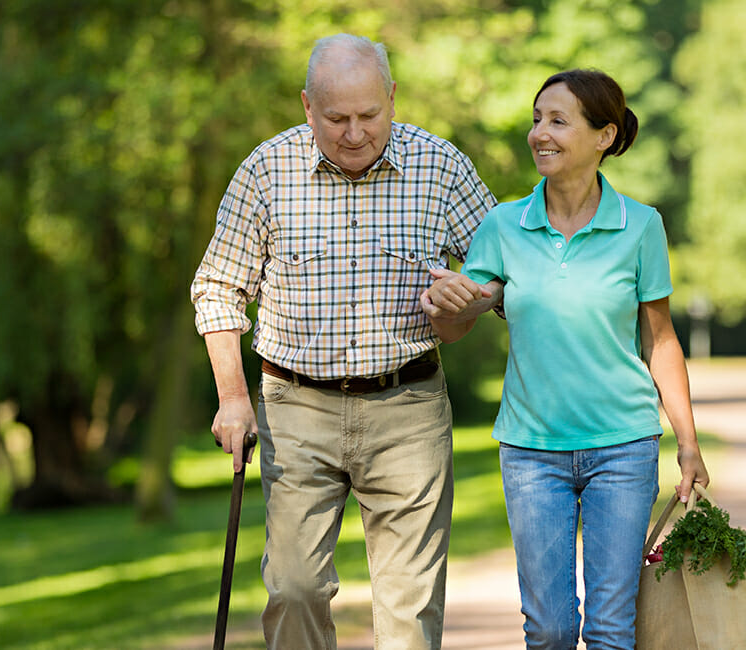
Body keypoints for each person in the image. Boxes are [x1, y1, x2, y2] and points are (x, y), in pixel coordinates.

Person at [190, 33, 501, 649]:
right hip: (295, 406)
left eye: (369, 115)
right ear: (308, 105)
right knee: (294, 588)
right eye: (336, 118)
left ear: (392, 97)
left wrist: (470, 299)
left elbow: (503, 274)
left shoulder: (441, 166)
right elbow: (218, 288)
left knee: (410, 609)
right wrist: (231, 396)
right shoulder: (266, 170)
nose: (354, 133)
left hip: (407, 407)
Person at [421, 69, 709, 650]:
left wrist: (687, 439)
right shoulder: (504, 224)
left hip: (622, 445)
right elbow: (455, 326)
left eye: (558, 121)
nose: (539, 134)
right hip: (532, 453)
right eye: (536, 120)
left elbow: (660, 339)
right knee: (549, 628)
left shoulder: (641, 226)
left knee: (610, 626)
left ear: (604, 136)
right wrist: (445, 305)